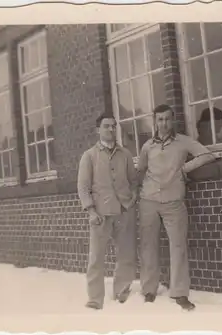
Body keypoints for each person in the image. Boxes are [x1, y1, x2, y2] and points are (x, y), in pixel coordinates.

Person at [137, 104, 216, 311]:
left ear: (172, 121)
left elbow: (207, 155)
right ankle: (149, 290)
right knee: (148, 246)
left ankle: (180, 293)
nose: (163, 123)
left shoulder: (183, 142)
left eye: (167, 119)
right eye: (160, 119)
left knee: (178, 246)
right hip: (149, 201)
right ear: (155, 121)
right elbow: (141, 169)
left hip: (174, 202)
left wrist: (184, 169)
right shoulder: (147, 146)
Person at [77, 112, 139, 310]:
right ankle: (95, 299)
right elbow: (83, 186)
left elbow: (133, 180)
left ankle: (122, 291)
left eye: (113, 126)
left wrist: (132, 200)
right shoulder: (89, 156)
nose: (111, 129)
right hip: (100, 215)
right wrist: (91, 210)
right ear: (98, 130)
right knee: (96, 257)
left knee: (125, 253)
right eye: (106, 126)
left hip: (123, 212)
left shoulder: (125, 154)